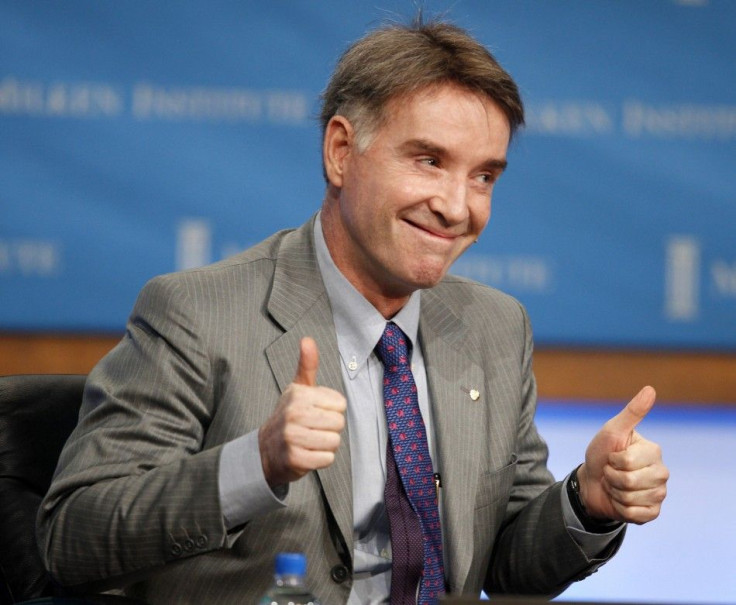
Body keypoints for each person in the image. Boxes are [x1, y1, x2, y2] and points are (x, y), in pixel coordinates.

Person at [37, 18, 669, 605]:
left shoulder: (496, 327)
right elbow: (71, 539)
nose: (457, 206)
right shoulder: (197, 313)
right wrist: (252, 465)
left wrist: (588, 502)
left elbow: (504, 564)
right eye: (429, 161)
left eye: (484, 177)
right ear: (341, 151)